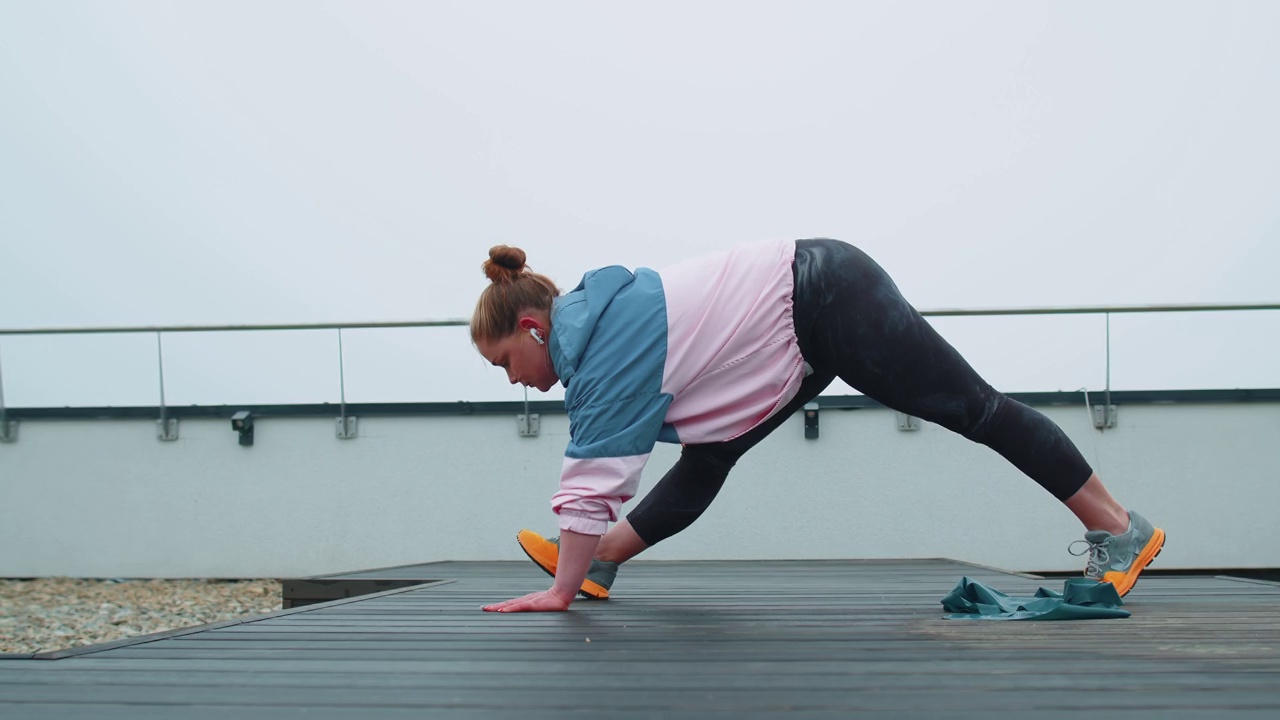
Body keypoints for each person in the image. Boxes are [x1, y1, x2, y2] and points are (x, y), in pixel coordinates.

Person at [471, 238, 1165, 613]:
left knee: (974, 408)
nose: (512, 379)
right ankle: (603, 563)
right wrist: (575, 565)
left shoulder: (603, 347)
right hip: (791, 331)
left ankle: (1116, 526)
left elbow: (596, 474)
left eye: (505, 361)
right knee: (710, 456)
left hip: (827, 295)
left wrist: (557, 593)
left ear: (532, 328)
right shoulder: (594, 327)